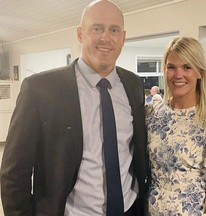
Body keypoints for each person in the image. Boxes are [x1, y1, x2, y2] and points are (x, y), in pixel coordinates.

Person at [0, 1, 148, 215]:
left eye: (114, 30)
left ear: (123, 37)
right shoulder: (41, 89)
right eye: (97, 28)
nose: (106, 37)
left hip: (129, 209)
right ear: (80, 34)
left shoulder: (133, 84)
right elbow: (14, 173)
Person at [145, 37, 206, 215]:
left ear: (200, 72)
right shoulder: (152, 113)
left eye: (187, 67)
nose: (178, 74)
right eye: (171, 67)